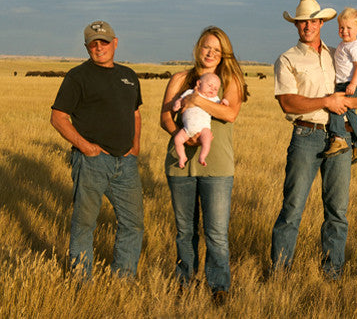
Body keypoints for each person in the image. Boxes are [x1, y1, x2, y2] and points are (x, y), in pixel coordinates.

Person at [271, 0, 357, 279]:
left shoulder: (338, 53)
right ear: (296, 25)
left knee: (337, 210)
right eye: (302, 21)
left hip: (341, 138)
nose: (307, 26)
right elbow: (288, 103)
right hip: (307, 134)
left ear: (322, 23)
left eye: (313, 21)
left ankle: (332, 273)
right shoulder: (288, 59)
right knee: (292, 208)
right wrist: (328, 101)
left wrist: (347, 103)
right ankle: (280, 273)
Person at [50, 20, 144, 280]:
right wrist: (87, 148)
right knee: (84, 224)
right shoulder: (77, 76)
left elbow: (135, 114)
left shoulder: (129, 76)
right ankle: (82, 282)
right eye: (93, 43)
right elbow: (58, 117)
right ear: (86, 47)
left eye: (104, 42)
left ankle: (123, 279)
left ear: (115, 43)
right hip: (92, 162)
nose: (99, 47)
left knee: (133, 224)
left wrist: (135, 147)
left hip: (125, 163)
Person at [160, 26, 247, 306]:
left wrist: (196, 100)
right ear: (198, 48)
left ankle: (219, 287)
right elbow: (165, 118)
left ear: (224, 55)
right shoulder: (180, 78)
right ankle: (184, 282)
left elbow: (230, 113)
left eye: (217, 50)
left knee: (216, 232)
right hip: (180, 164)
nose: (210, 53)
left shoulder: (230, 80)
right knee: (185, 230)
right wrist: (184, 136)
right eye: (206, 47)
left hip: (217, 166)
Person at [324, 7, 357, 164]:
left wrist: (352, 84)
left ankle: (339, 139)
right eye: (341, 28)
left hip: (350, 84)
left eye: (349, 28)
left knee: (337, 108)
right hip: (344, 83)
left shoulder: (356, 47)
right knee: (350, 114)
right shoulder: (343, 45)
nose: (344, 31)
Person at [172, 72, 229, 168]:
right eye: (210, 85)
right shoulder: (189, 92)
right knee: (177, 139)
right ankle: (182, 156)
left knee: (207, 140)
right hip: (187, 128)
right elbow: (181, 100)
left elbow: (220, 107)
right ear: (199, 83)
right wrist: (177, 103)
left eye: (216, 89)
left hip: (203, 128)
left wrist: (224, 102)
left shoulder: (214, 98)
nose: (212, 89)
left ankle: (202, 157)